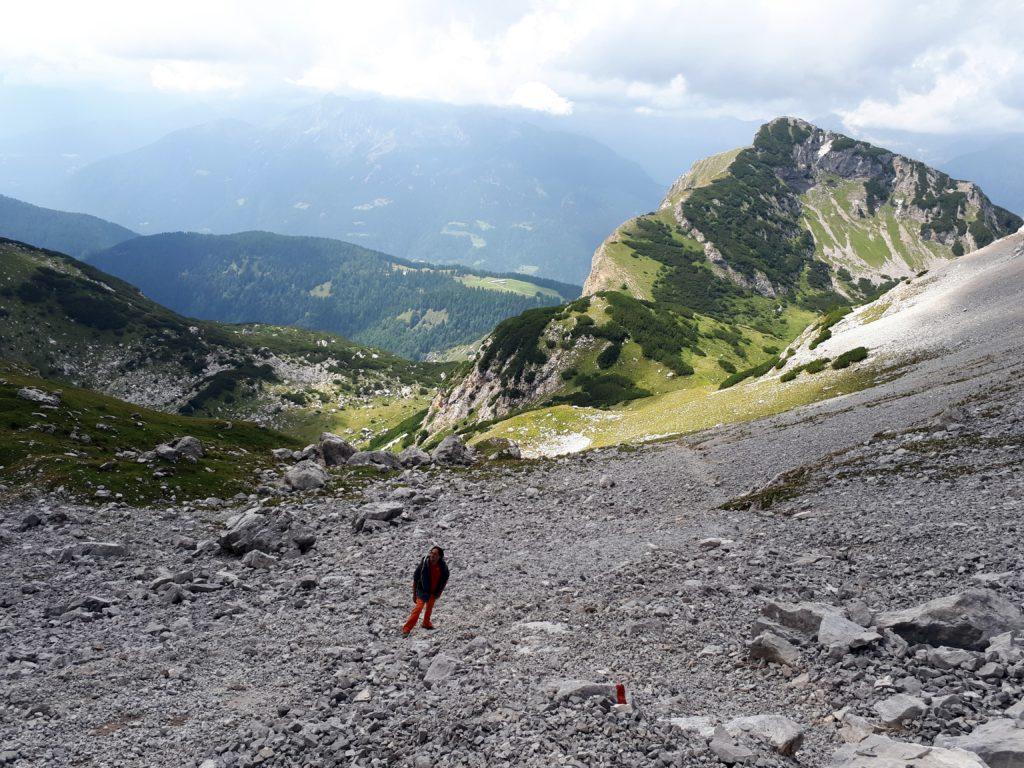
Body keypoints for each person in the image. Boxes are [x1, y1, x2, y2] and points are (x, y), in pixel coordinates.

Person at [402, 546, 449, 636]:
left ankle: (426, 623)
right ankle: (406, 629)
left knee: (429, 608)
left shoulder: (443, 567)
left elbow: (445, 579)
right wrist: (414, 594)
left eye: (435, 554)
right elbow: (416, 578)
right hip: (422, 590)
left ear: (439, 557)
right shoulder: (424, 564)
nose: (432, 555)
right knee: (418, 609)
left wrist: (439, 592)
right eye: (431, 553)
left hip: (433, 592)